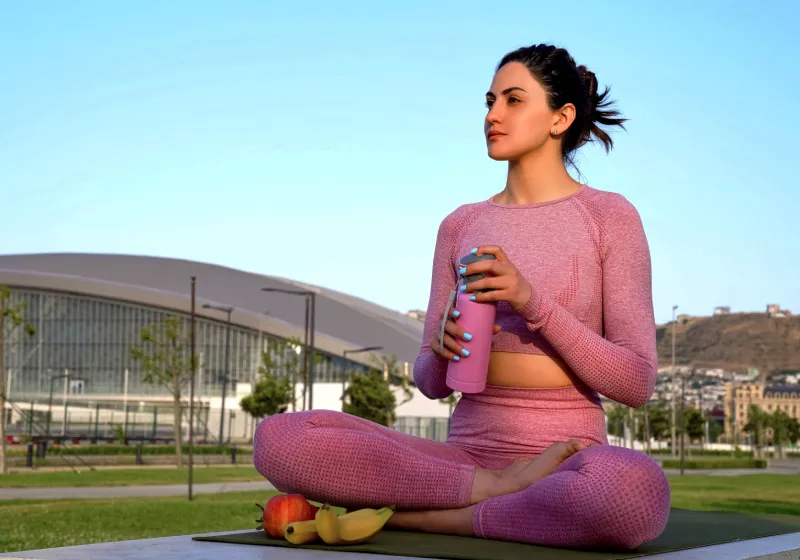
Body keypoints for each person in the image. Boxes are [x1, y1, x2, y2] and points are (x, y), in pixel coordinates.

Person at [253, 43, 670, 550]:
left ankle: (429, 517)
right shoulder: (460, 224)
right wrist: (443, 350)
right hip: (466, 458)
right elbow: (429, 382)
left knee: (631, 493)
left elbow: (636, 381)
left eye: (513, 100)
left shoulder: (610, 217)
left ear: (560, 118)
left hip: (568, 459)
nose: (493, 115)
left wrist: (532, 302)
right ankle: (490, 493)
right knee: (279, 440)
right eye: (490, 101)